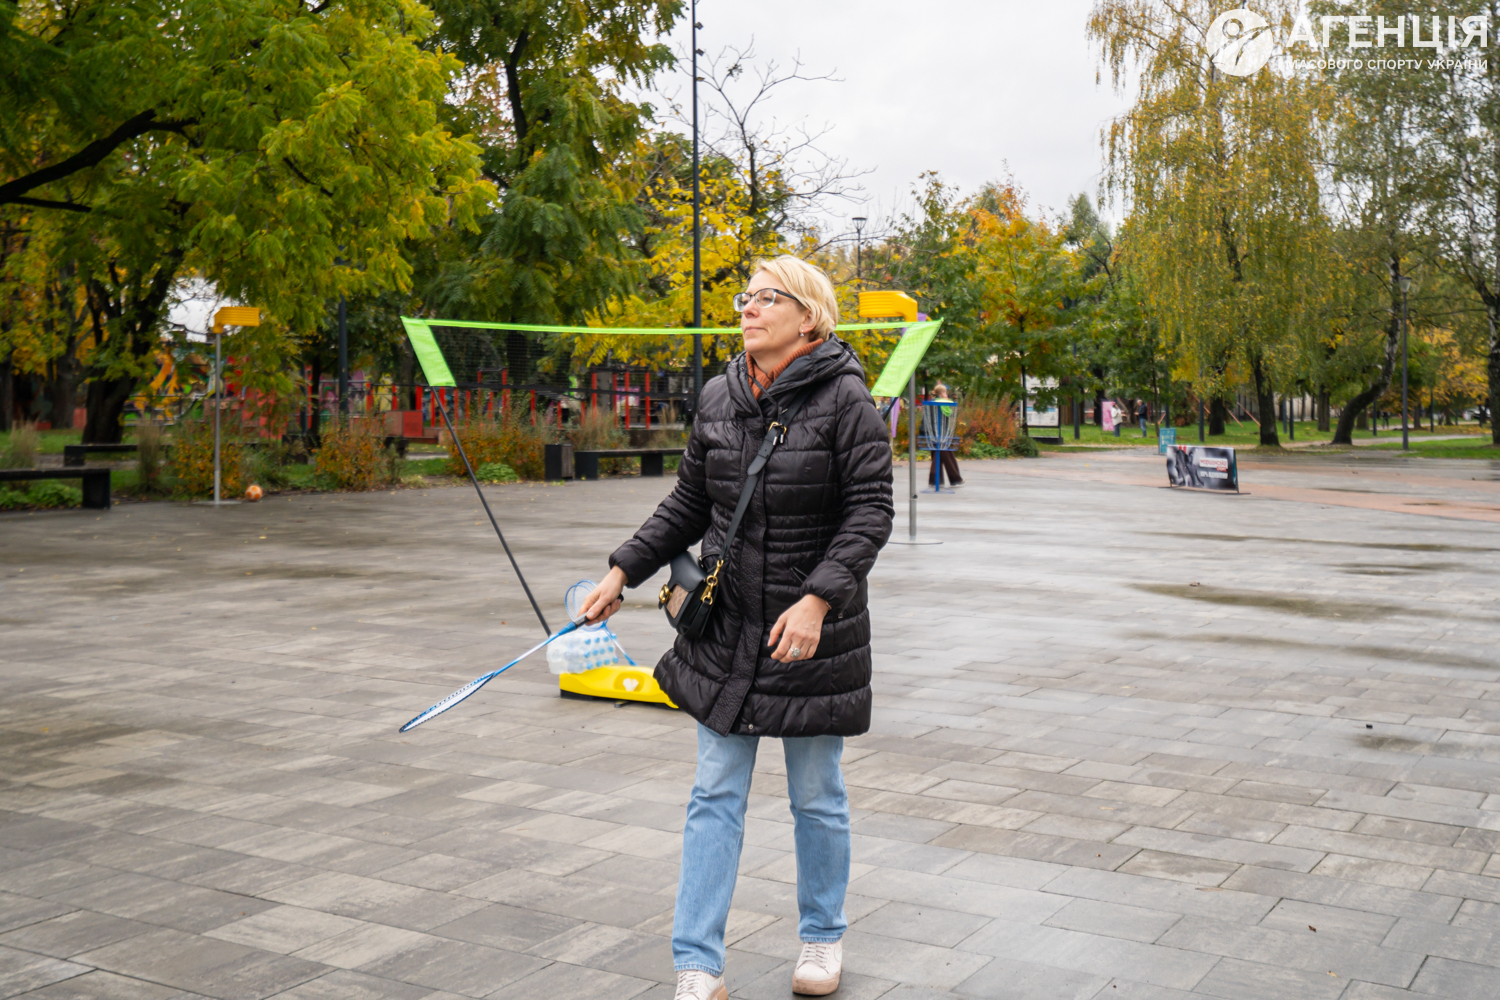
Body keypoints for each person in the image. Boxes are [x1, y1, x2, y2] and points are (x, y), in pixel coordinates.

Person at [579, 255, 894, 1000]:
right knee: (714, 793)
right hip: (725, 633)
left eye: (765, 298)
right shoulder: (721, 394)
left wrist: (817, 602)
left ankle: (822, 938)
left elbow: (870, 511)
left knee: (816, 794)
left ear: (808, 317)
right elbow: (690, 502)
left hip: (807, 636)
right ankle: (698, 964)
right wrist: (622, 570)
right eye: (744, 298)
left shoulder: (847, 398)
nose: (747, 309)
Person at [927, 383, 963, 486]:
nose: (946, 394)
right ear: (942, 393)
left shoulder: (932, 403)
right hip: (941, 433)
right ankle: (954, 479)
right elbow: (949, 413)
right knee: (945, 454)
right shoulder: (943, 403)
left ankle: (936, 480)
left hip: (932, 432)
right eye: (945, 392)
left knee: (937, 454)